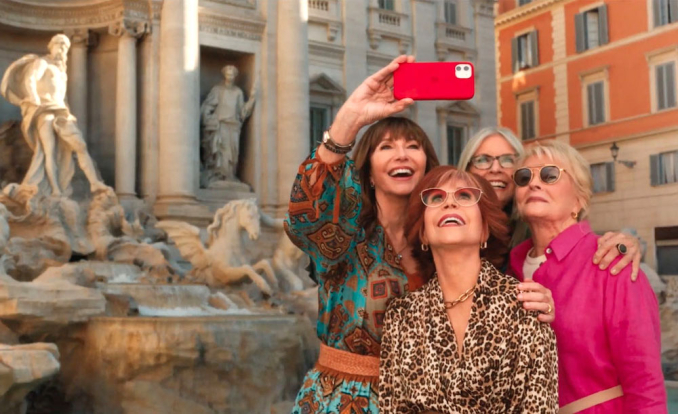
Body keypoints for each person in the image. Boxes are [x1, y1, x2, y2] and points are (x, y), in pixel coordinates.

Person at [284, 56, 554, 413]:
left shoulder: (443, 243)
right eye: (386, 147)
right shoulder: (345, 235)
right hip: (339, 401)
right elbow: (306, 215)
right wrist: (350, 119)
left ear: (427, 165)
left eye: (412, 146)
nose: (402, 155)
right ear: (368, 170)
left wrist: (540, 301)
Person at [379, 166, 558, 413]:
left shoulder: (525, 306)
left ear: (485, 229)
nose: (450, 203)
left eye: (465, 195)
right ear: (423, 233)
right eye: (436, 198)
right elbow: (392, 406)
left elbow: (538, 407)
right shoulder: (400, 315)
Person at [509, 140, 667, 412]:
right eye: (524, 177)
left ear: (579, 199)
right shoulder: (510, 270)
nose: (534, 183)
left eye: (549, 175)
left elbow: (645, 384)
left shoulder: (611, 263)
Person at [457, 127, 643, 280]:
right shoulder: (448, 226)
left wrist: (627, 244)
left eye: (507, 160)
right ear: (466, 170)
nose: (495, 168)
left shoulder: (532, 236)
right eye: (482, 160)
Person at [0, 34, 106, 197]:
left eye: (65, 47)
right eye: (59, 45)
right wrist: (34, 98)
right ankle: (55, 189)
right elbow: (30, 79)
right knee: (49, 152)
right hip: (44, 111)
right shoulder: (43, 62)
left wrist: (69, 113)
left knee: (80, 145)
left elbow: (63, 97)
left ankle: (94, 183)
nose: (62, 49)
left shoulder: (62, 72)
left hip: (61, 112)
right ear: (51, 46)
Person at [200, 65, 256, 183]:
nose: (230, 76)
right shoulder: (217, 90)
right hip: (221, 125)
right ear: (224, 75)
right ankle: (219, 175)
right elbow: (207, 107)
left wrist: (252, 99)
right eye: (228, 74)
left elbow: (242, 111)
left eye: (232, 75)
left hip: (234, 126)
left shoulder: (238, 92)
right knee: (221, 152)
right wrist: (209, 119)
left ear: (235, 76)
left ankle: (230, 176)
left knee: (232, 153)